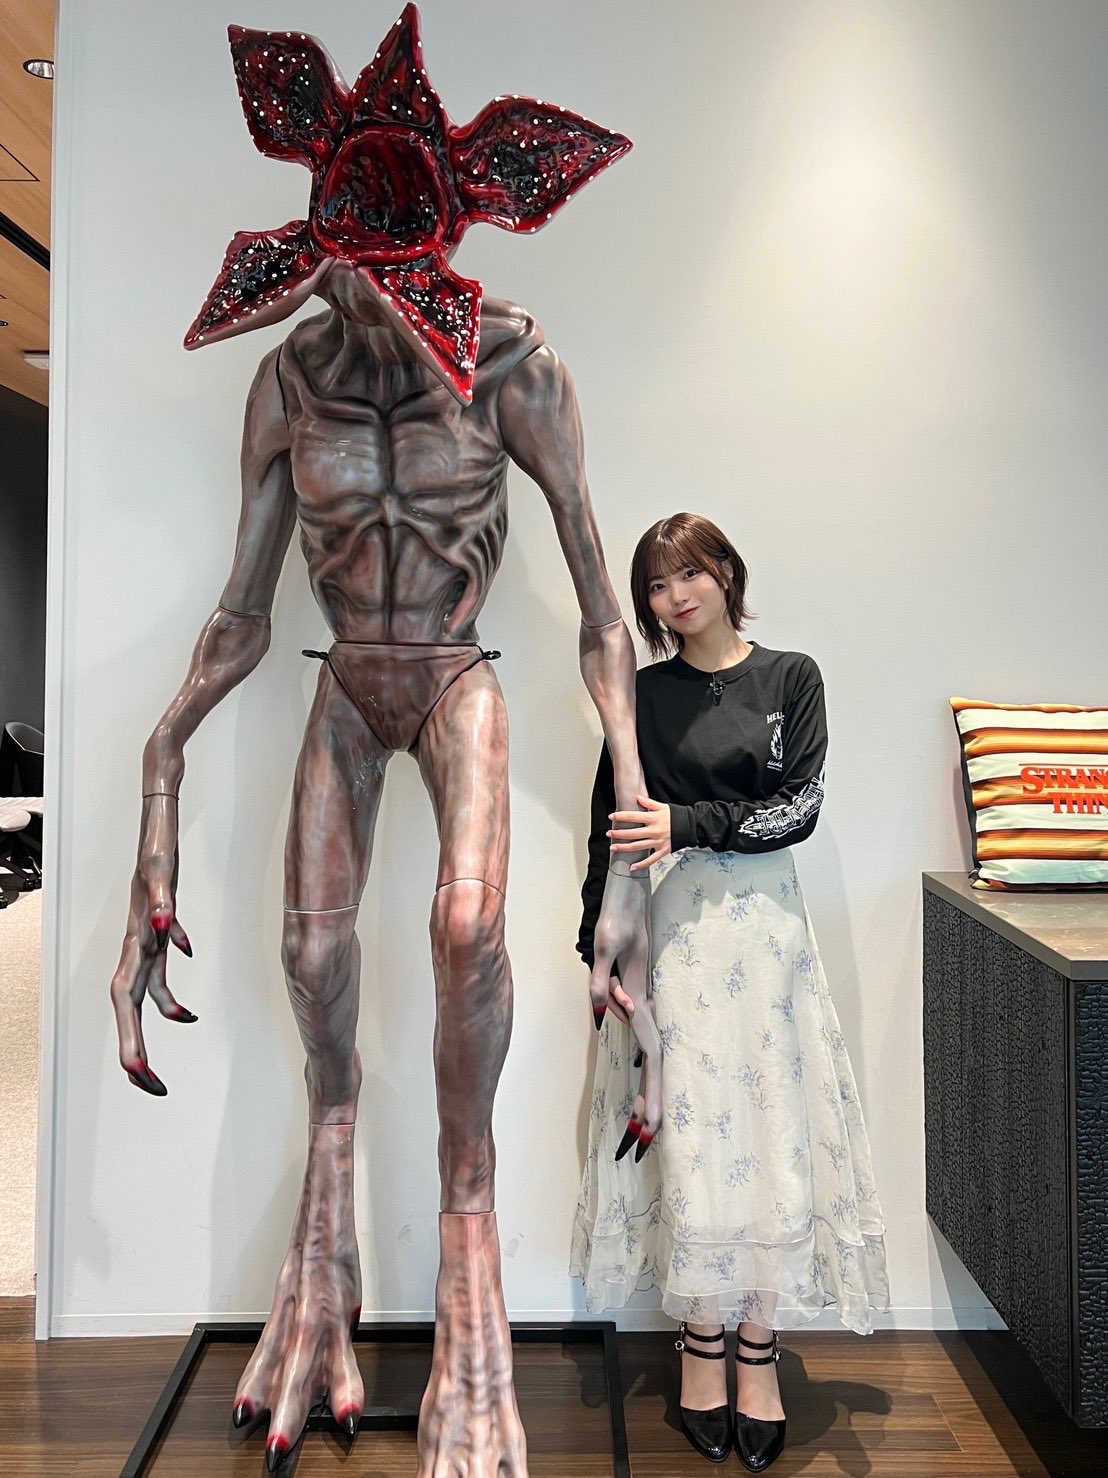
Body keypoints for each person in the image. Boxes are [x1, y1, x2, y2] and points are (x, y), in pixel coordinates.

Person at [571, 512, 890, 1470]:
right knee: (694, 1136)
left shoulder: (791, 677)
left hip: (767, 937)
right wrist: (595, 940)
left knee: (769, 1136)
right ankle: (700, 1340)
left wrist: (685, 822)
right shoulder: (642, 693)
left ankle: (759, 1345)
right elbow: (610, 820)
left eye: (691, 574)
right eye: (657, 585)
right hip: (673, 939)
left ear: (726, 573)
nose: (677, 596)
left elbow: (798, 808)